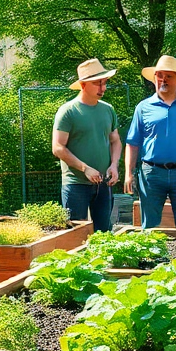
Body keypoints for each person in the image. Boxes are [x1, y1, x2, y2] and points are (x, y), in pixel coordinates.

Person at [124, 55, 176, 229]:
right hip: (151, 174)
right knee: (149, 228)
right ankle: (152, 257)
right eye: (159, 75)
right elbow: (132, 143)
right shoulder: (143, 107)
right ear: (154, 78)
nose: (163, 80)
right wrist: (128, 173)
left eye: (169, 76)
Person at [53, 58, 122, 232]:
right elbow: (58, 147)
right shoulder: (68, 111)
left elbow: (115, 140)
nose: (103, 88)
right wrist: (85, 168)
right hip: (75, 184)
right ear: (83, 85)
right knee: (75, 236)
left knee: (104, 233)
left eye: (104, 83)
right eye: (97, 84)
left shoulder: (108, 109)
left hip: (104, 183)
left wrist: (114, 165)